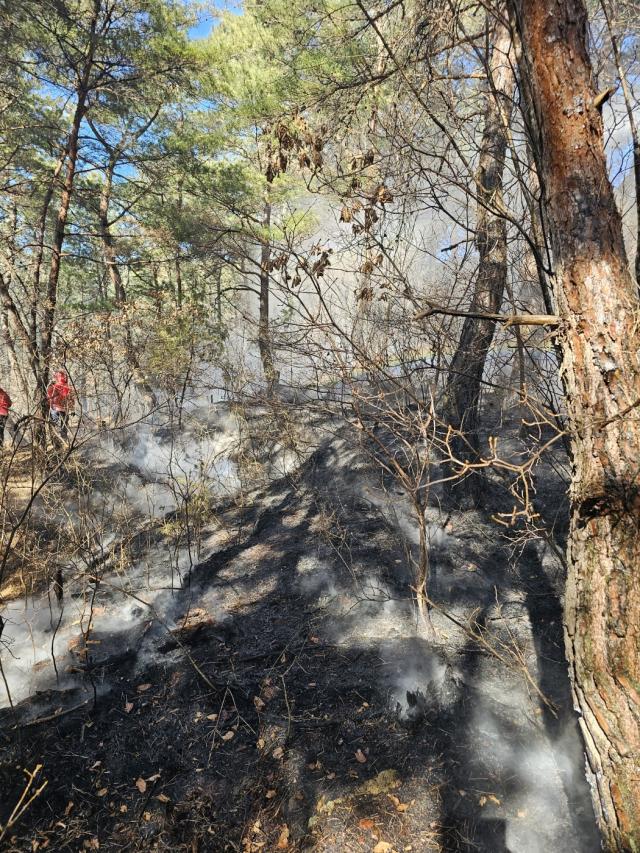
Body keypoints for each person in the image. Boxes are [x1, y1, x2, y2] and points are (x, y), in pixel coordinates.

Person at [47, 371, 75, 439]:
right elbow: (71, 399)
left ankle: (54, 437)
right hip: (64, 409)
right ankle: (64, 438)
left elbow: (49, 398)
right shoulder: (69, 388)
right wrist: (72, 410)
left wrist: (50, 406)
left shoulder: (53, 387)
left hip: (54, 409)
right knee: (64, 425)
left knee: (54, 424)